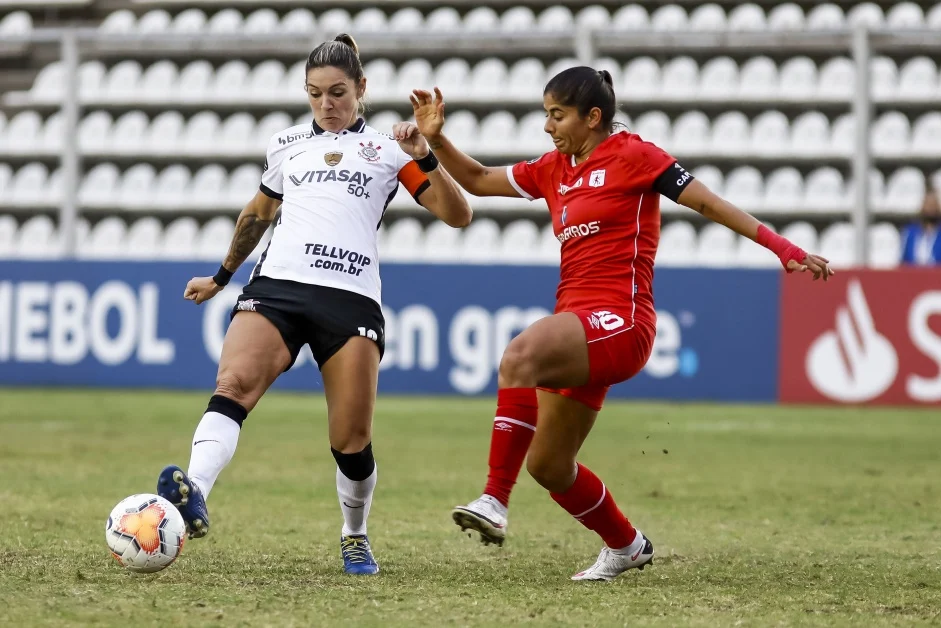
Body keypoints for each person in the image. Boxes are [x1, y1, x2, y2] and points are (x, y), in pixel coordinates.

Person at [398, 68, 833, 581]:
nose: (547, 126)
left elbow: (709, 203)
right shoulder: (555, 168)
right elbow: (475, 180)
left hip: (623, 322)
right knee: (549, 465)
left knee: (519, 356)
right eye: (546, 115)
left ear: (593, 117)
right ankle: (627, 545)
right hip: (579, 325)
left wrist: (784, 248)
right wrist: (436, 139)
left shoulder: (635, 155)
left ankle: (494, 498)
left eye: (557, 116)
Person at [155, 34, 471, 576]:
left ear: (362, 89)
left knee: (351, 439)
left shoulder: (392, 147)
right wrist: (221, 276)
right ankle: (195, 494)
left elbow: (457, 214)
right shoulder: (285, 145)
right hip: (277, 286)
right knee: (232, 386)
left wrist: (427, 155)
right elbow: (257, 213)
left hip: (349, 299)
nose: (327, 104)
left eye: (338, 92)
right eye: (315, 93)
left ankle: (354, 533)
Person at [901, 188, 941, 265]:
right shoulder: (910, 233)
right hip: (913, 275)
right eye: (928, 204)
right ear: (922, 207)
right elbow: (904, 260)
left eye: (933, 205)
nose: (930, 208)